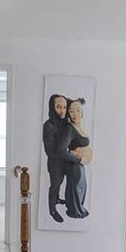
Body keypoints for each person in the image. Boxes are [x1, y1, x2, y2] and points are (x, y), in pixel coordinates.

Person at [42, 94, 83, 223]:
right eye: (58, 107)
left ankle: (58, 199)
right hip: (55, 163)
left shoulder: (67, 123)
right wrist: (66, 154)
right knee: (55, 185)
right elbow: (49, 150)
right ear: (52, 107)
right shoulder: (48, 126)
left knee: (68, 183)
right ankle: (52, 210)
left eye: (64, 107)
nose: (62, 110)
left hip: (67, 160)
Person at [65, 98, 92, 218]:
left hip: (80, 164)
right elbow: (62, 149)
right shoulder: (69, 129)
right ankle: (74, 210)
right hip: (74, 164)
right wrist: (77, 156)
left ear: (82, 113)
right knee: (75, 187)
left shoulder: (78, 127)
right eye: (71, 111)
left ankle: (79, 208)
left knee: (82, 186)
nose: (75, 114)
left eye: (77, 110)